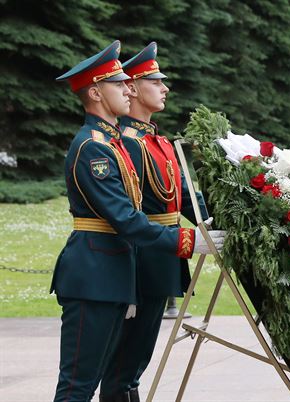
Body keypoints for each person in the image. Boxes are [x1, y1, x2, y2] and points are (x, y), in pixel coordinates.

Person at [51, 40, 223, 402]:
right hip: (94, 273)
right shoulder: (93, 148)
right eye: (118, 83)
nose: (127, 88)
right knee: (79, 386)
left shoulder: (110, 144)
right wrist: (189, 242)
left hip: (114, 272)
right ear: (96, 93)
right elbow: (127, 219)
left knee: (116, 375)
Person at [99, 42, 209, 402]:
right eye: (155, 81)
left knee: (137, 360)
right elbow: (127, 213)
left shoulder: (154, 139)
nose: (164, 88)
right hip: (140, 258)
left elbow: (184, 199)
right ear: (131, 87)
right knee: (124, 362)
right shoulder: (129, 143)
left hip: (161, 254)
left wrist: (217, 220)